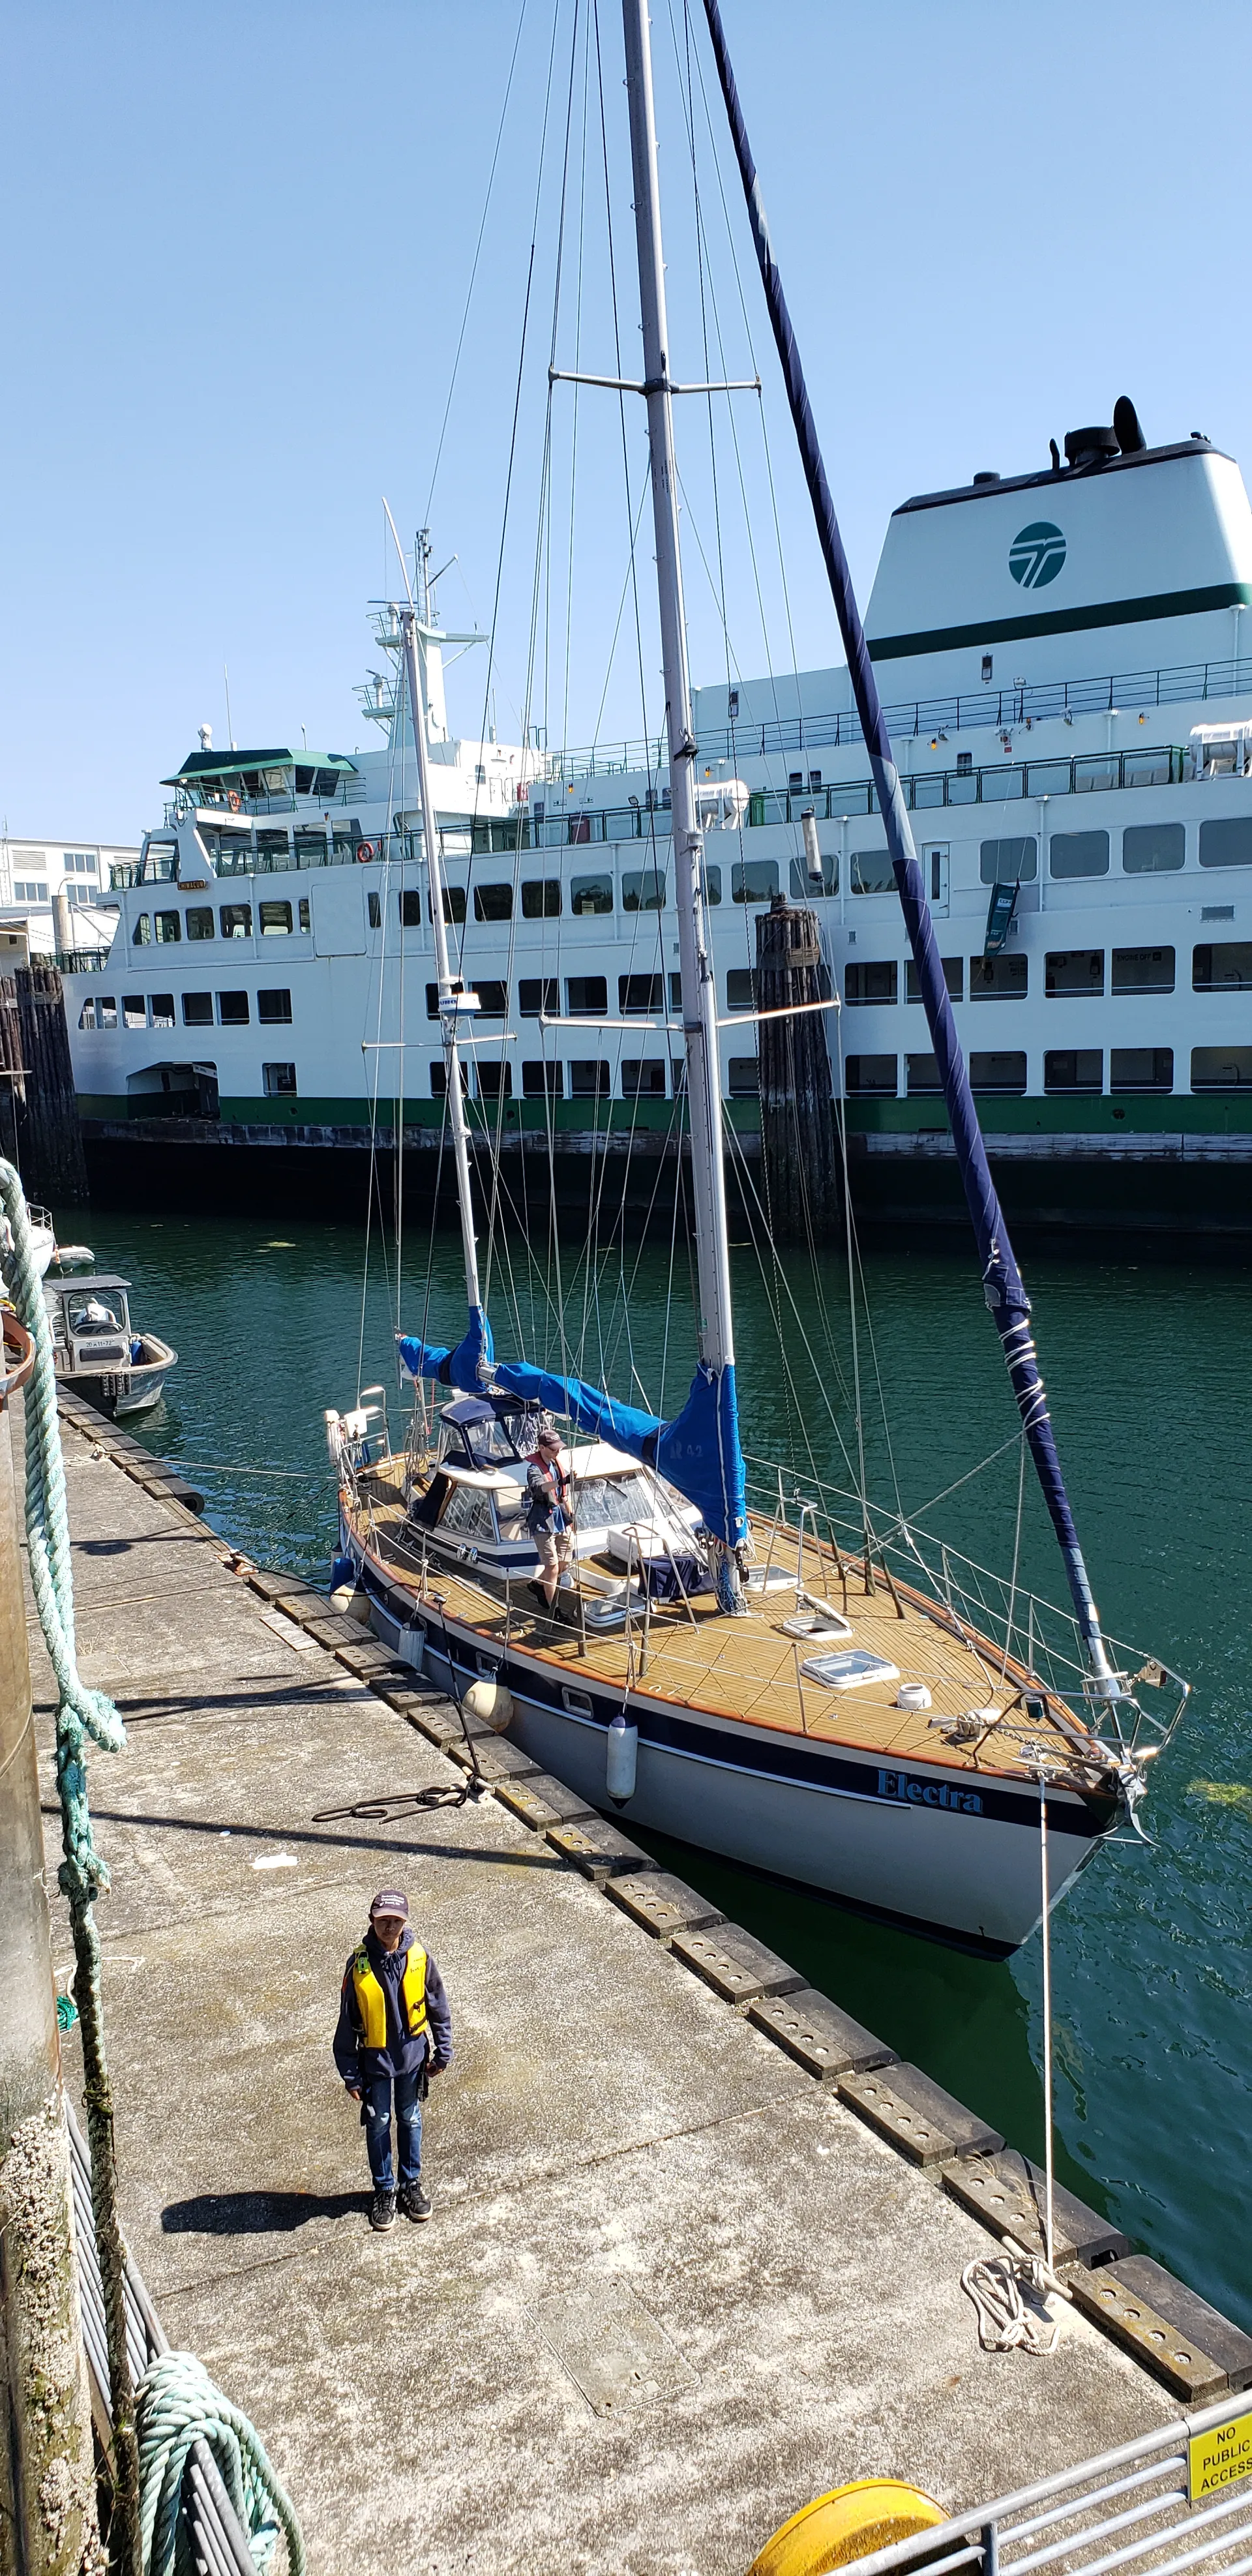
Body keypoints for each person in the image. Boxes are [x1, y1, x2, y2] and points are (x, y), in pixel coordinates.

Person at [333, 1889, 452, 2232]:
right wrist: (350, 2074)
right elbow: (346, 2023)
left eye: (396, 1921)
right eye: (383, 1920)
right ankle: (384, 2189)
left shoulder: (420, 1958)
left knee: (411, 2119)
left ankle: (410, 2184)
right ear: (371, 1920)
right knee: (379, 2122)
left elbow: (438, 2007)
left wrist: (443, 2050)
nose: (389, 1927)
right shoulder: (358, 1966)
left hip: (413, 2061)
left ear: (405, 1922)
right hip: (376, 2065)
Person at [525, 1426, 573, 1608]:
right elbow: (539, 1488)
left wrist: (570, 1513)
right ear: (542, 1448)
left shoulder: (556, 1465)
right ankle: (554, 1609)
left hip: (561, 1518)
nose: (557, 1452)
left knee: (565, 1562)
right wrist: (560, 1482)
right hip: (543, 1521)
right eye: (553, 1449)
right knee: (552, 1567)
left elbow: (564, 1494)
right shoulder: (534, 1469)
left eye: (558, 1448)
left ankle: (538, 1584)